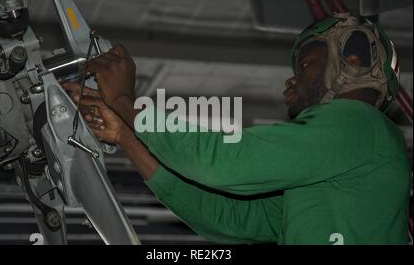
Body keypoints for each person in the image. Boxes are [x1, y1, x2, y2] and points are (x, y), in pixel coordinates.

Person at [63, 14, 411, 245]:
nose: (292, 78)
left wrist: (126, 101)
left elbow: (225, 160)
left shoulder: (360, 125)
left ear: (352, 59)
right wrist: (127, 135)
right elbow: (229, 219)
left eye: (305, 63)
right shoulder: (341, 164)